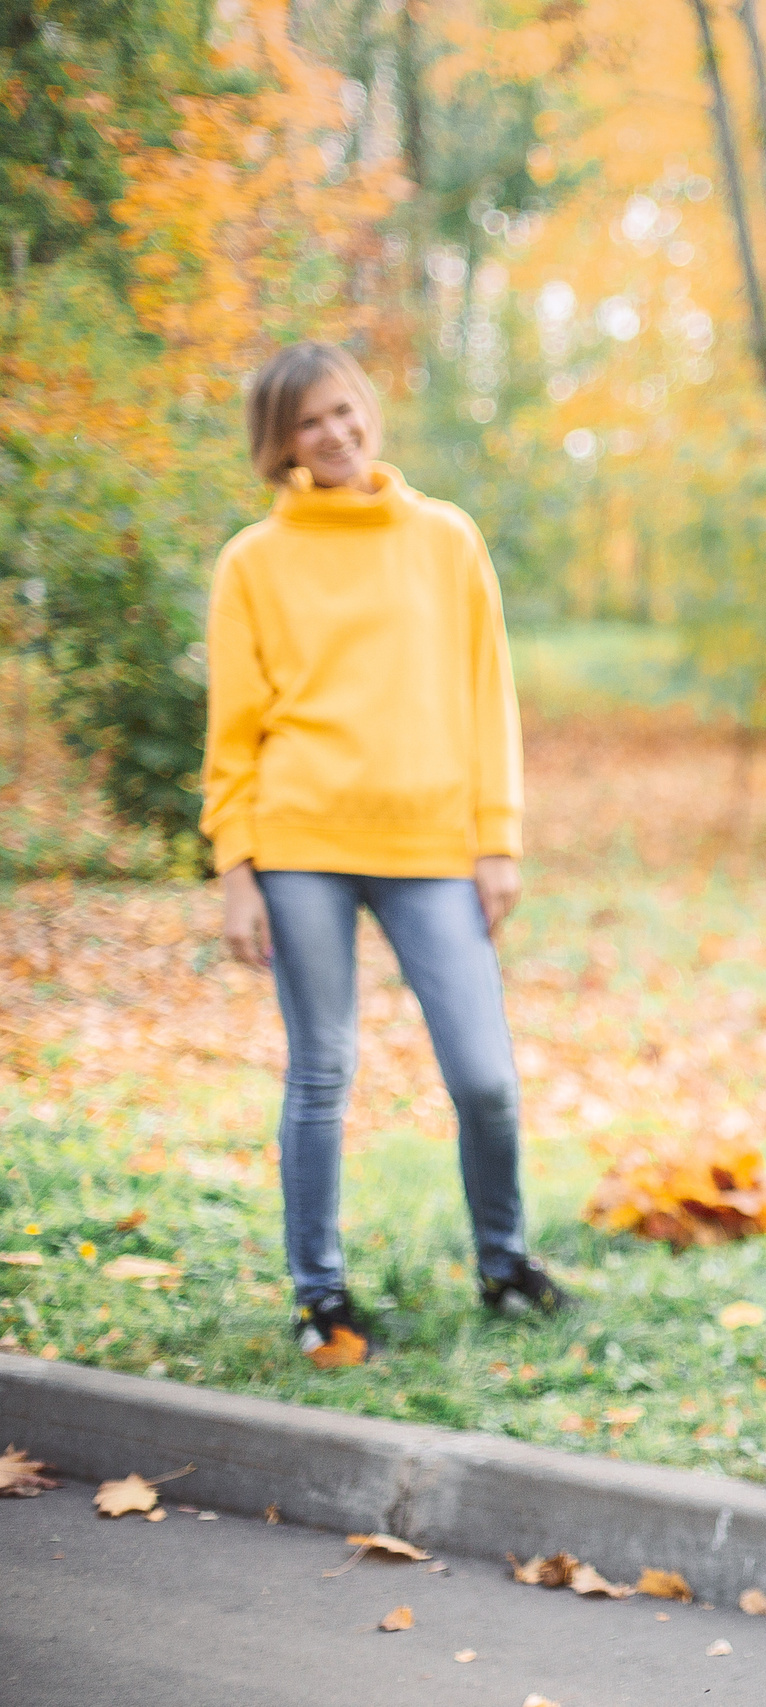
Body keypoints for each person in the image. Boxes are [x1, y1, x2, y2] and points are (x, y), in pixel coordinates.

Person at [203, 341, 567, 1369]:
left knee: (485, 1077)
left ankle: (505, 1266)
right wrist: (236, 869)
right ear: (279, 444)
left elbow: (486, 697)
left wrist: (497, 841)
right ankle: (320, 1296)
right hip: (300, 841)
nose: (337, 432)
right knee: (321, 1070)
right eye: (311, 420)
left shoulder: (445, 540)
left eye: (347, 408)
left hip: (430, 844)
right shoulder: (252, 563)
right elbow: (233, 732)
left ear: (370, 410)